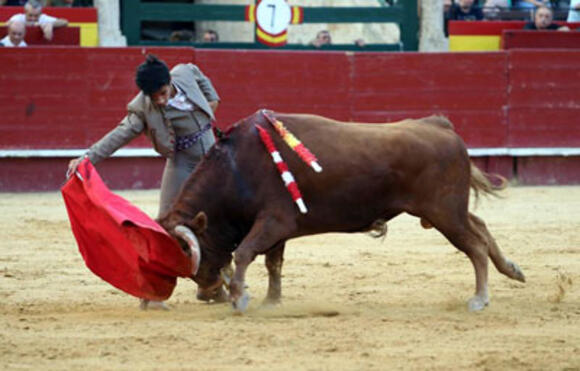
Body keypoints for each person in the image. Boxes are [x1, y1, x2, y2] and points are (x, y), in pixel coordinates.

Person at [67, 55, 220, 310]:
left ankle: (215, 284)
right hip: (182, 163)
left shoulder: (188, 72)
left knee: (223, 220)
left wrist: (203, 125)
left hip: (214, 160)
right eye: (153, 96)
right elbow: (120, 134)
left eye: (162, 93)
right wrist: (88, 157)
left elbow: (213, 97)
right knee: (165, 228)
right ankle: (152, 294)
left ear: (170, 81)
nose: (159, 100)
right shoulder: (142, 108)